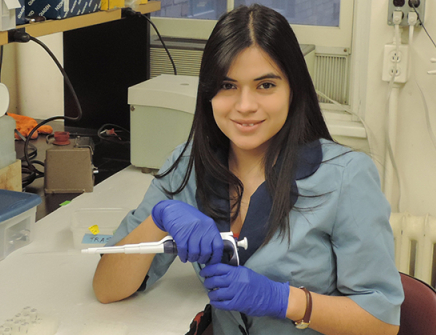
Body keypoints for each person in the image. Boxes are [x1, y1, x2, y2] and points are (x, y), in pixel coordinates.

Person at [92, 4, 403, 334]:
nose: (244, 106)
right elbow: (107, 289)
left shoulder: (346, 177)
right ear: (208, 93)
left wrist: (286, 300)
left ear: (293, 90)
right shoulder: (187, 167)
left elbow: (382, 322)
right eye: (227, 86)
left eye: (265, 85)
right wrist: (158, 218)